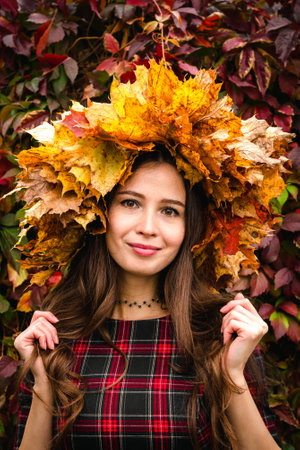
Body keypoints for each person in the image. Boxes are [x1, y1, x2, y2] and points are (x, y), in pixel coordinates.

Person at [12, 60, 288, 449]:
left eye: (169, 211)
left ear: (190, 229)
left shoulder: (222, 336)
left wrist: (233, 377)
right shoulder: (56, 336)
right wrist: (42, 382)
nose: (148, 227)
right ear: (99, 212)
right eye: (130, 203)